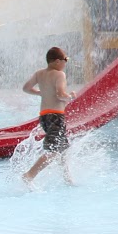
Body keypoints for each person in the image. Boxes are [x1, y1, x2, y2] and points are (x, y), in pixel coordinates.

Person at [22, 46, 76, 186]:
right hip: (56, 116)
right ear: (58, 61)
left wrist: (40, 93)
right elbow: (60, 94)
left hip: (44, 116)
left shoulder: (39, 73)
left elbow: (26, 88)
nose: (66, 63)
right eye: (65, 60)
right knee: (53, 150)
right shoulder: (59, 74)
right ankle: (29, 175)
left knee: (63, 147)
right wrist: (70, 97)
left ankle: (67, 178)